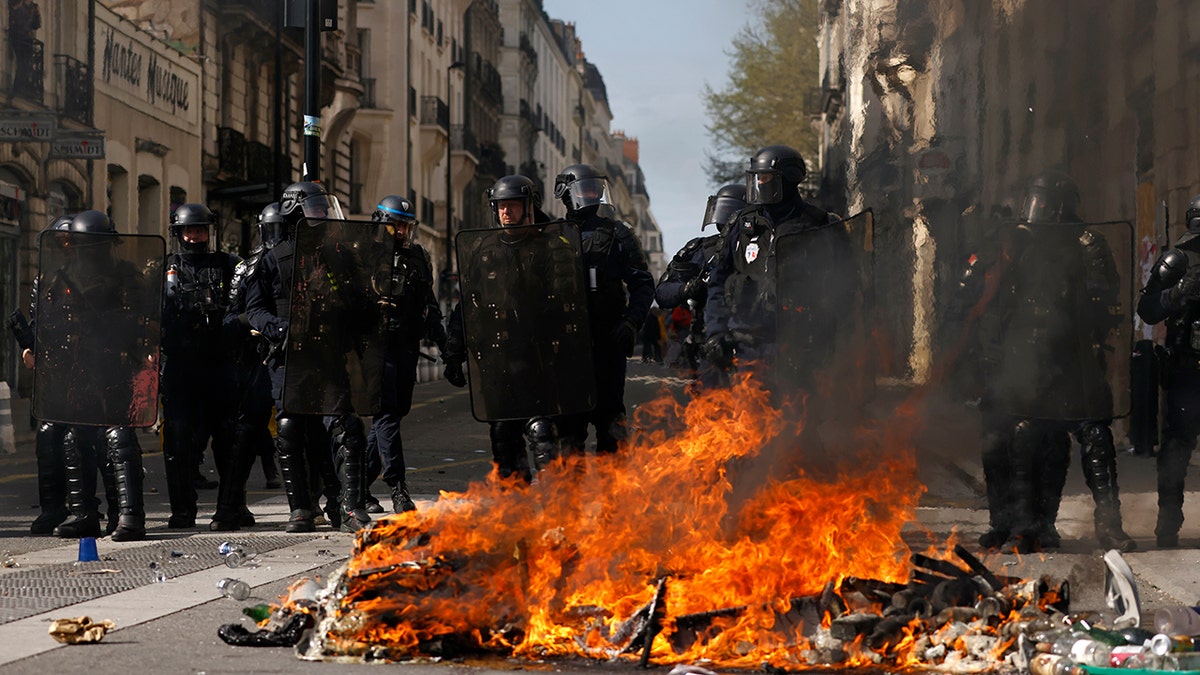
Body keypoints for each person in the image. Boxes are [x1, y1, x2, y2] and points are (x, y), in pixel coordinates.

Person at [984, 171, 1134, 553]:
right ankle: (1026, 524)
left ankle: (1109, 525)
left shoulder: (1088, 243)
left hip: (1077, 357)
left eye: (1045, 201)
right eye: (1036, 200)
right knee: (1026, 434)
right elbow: (995, 291)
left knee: (1096, 435)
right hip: (1031, 357)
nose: (1039, 209)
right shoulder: (1022, 242)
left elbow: (1106, 289)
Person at [244, 181, 374, 533]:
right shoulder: (274, 259)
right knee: (291, 427)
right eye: (316, 210)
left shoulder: (339, 255)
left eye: (323, 209)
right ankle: (300, 507)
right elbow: (254, 309)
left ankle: (349, 506)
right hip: (290, 358)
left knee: (347, 427)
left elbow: (357, 299)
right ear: (295, 214)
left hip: (328, 353)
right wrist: (280, 328)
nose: (323, 216)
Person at [444, 174, 589, 479]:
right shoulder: (484, 251)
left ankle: (556, 509)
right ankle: (515, 512)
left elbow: (569, 305)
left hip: (540, 357)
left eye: (512, 205)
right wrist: (453, 352)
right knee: (503, 438)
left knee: (542, 433)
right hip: (498, 360)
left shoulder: (552, 246)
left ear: (530, 206)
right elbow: (468, 305)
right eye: (500, 206)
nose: (505, 212)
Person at [30, 210, 161, 541]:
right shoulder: (59, 282)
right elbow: (50, 327)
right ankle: (83, 513)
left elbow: (143, 323)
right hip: (78, 370)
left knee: (118, 438)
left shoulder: (126, 278)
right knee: (75, 438)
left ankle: (129, 514)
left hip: (116, 366)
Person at [703, 146, 844, 387]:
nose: (760, 182)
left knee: (797, 420)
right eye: (757, 177)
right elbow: (718, 280)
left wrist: (829, 339)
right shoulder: (741, 223)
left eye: (766, 177)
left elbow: (838, 287)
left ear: (787, 179)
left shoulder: (817, 224)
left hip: (799, 345)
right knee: (750, 419)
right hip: (746, 344)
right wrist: (716, 331)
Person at [552, 164, 654, 455]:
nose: (593, 195)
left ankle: (613, 498)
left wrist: (632, 322)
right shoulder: (550, 237)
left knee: (612, 425)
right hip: (566, 349)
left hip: (607, 342)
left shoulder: (619, 235)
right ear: (567, 193)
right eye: (586, 189)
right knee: (568, 432)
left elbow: (643, 284)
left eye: (596, 189)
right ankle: (570, 498)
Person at [362, 195, 446, 513]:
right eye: (395, 225)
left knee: (393, 415)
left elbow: (429, 304)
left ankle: (356, 485)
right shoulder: (366, 257)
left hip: (407, 347)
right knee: (386, 416)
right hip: (376, 348)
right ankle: (397, 487)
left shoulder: (418, 257)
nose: (400, 232)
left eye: (405, 226)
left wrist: (445, 345)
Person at [161, 203, 240, 530]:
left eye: (201, 230)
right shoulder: (165, 268)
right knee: (178, 440)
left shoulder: (228, 265)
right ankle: (182, 510)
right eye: (189, 231)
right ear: (179, 233)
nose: (195, 237)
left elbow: (245, 301)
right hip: (181, 365)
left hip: (219, 365)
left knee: (227, 439)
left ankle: (230, 507)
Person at [212, 202, 286, 531]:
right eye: (272, 231)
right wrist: (253, 322)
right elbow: (229, 320)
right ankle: (230, 505)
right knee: (243, 434)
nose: (276, 239)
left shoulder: (302, 261)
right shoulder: (250, 267)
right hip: (258, 360)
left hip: (295, 357)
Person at [1136, 193, 1200, 548]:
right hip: (1187, 371)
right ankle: (1168, 523)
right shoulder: (1177, 260)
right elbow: (1147, 309)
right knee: (1175, 451)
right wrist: (1176, 295)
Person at [656, 183, 746, 378]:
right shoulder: (701, 249)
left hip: (749, 346)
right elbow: (663, 292)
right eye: (725, 210)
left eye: (733, 212)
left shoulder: (760, 249)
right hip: (708, 346)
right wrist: (686, 289)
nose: (728, 218)